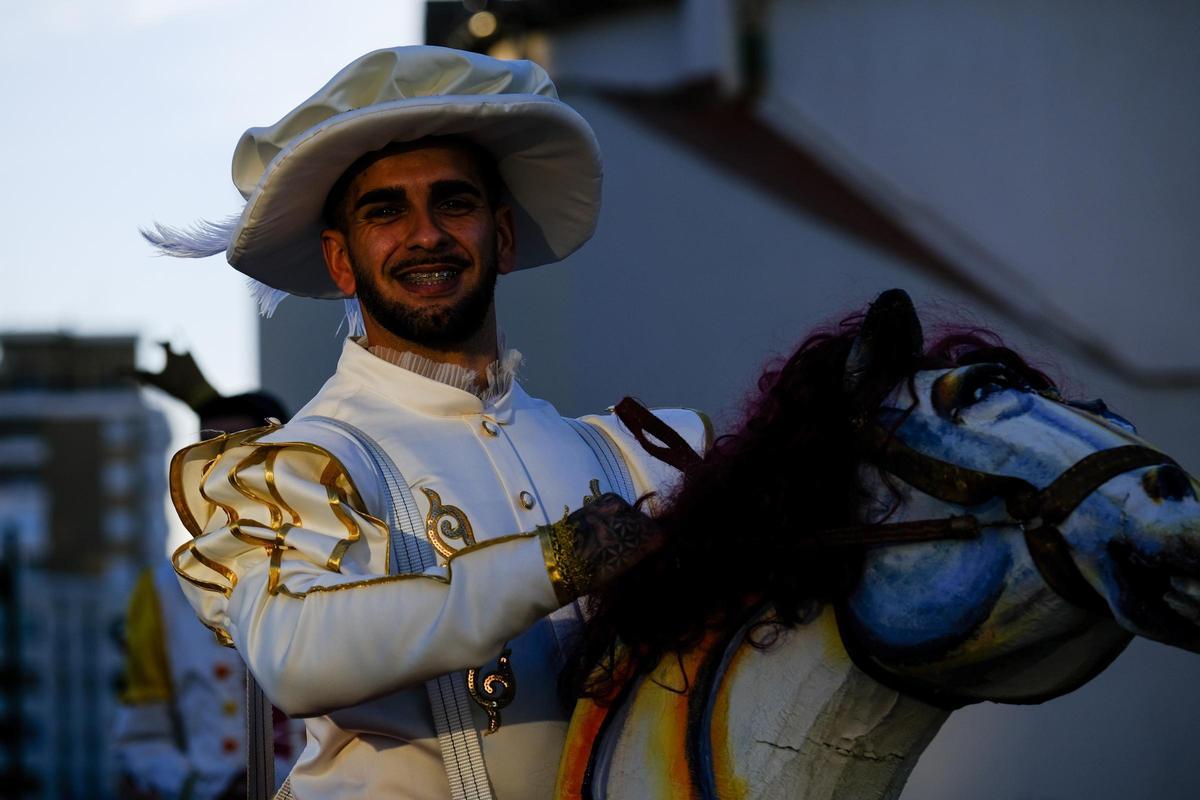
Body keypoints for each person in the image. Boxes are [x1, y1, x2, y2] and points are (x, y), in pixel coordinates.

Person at [148, 46, 709, 798]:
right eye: (385, 212)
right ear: (340, 261)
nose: (426, 235)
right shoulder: (304, 461)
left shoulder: (633, 454)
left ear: (501, 237)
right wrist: (552, 562)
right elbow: (296, 655)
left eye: (454, 202)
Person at [114, 347, 304, 799]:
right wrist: (201, 787)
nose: (223, 472)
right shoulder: (162, 589)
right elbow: (142, 735)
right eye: (209, 455)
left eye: (243, 453)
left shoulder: (334, 562)